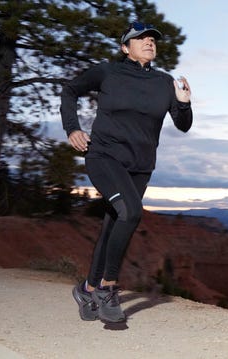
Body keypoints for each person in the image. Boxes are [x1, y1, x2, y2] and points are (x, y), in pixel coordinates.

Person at [60, 21, 192, 323]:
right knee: (131, 213)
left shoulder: (164, 82)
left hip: (141, 166)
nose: (149, 42)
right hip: (104, 156)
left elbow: (183, 124)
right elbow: (70, 91)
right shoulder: (108, 72)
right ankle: (108, 288)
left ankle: (87, 289)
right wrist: (72, 129)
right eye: (141, 38)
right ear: (125, 47)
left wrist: (184, 104)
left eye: (153, 40)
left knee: (113, 225)